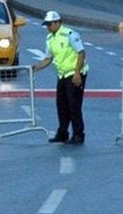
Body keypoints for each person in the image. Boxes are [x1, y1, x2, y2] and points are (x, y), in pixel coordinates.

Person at [32, 11, 89, 145]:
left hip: (74, 73)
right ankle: (63, 133)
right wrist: (34, 68)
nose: (48, 27)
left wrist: (77, 73)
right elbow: (48, 59)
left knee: (74, 105)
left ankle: (78, 134)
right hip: (62, 74)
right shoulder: (50, 38)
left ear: (57, 22)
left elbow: (81, 53)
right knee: (61, 105)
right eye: (46, 25)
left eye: (49, 24)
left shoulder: (70, 34)